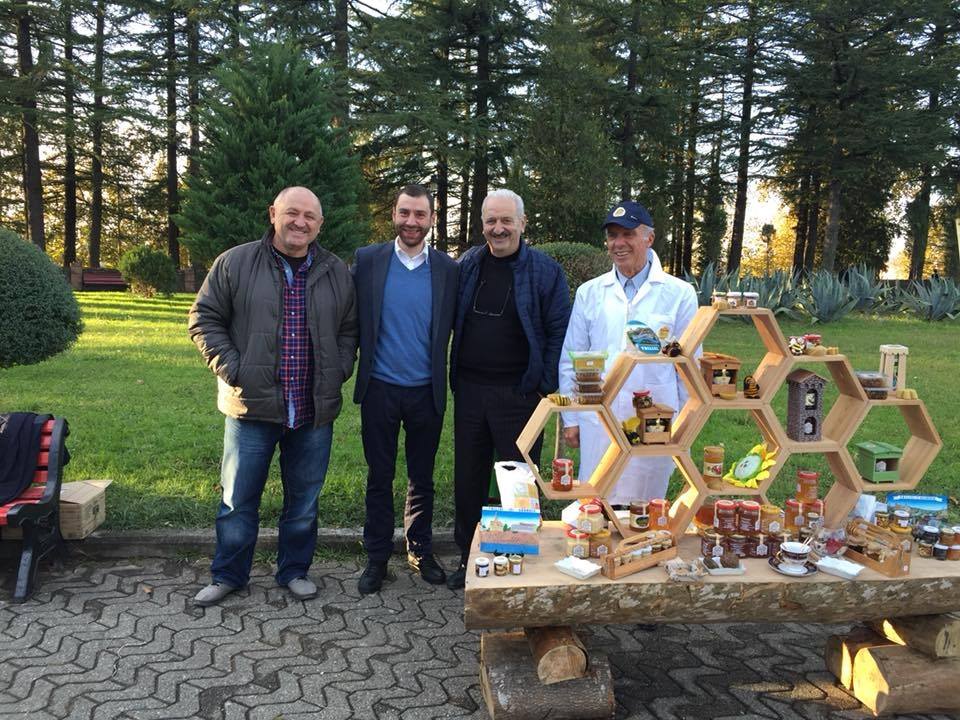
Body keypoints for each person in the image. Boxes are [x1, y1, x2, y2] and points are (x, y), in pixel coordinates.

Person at [187, 186, 358, 607]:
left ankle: (294, 570)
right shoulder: (235, 262)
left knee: (304, 502)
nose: (300, 222)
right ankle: (228, 575)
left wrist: (339, 368)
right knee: (237, 500)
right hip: (251, 408)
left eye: (310, 216)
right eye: (292, 213)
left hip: (312, 409)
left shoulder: (336, 271)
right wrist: (236, 369)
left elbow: (349, 330)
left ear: (320, 224)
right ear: (273, 214)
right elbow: (204, 319)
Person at [446, 189, 571, 589]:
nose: (498, 229)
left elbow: (559, 331)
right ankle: (469, 559)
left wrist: (542, 387)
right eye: (490, 221)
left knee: (516, 484)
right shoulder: (468, 264)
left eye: (506, 221)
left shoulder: (545, 271)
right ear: (481, 224)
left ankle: (512, 564)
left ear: (522, 223)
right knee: (468, 479)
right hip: (470, 391)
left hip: (520, 395)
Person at [351, 184, 458, 594]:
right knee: (379, 477)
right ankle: (376, 557)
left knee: (422, 478)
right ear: (394, 214)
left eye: (420, 214)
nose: (411, 221)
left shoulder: (448, 269)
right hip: (379, 388)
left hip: (426, 391)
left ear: (431, 219)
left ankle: (420, 549)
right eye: (405, 213)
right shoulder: (368, 261)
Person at [559, 200, 698, 505]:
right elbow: (572, 357)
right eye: (612, 235)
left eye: (628, 234)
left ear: (649, 238)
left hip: (655, 417)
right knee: (597, 503)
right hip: (599, 417)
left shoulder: (679, 294)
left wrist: (686, 424)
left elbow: (690, 367)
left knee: (645, 508)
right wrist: (571, 418)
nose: (618, 243)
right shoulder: (590, 292)